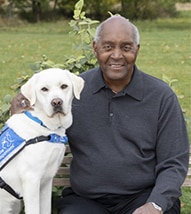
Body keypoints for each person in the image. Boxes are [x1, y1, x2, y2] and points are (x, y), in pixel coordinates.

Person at [11, 16, 189, 214]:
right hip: (86, 201)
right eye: (108, 47)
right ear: (96, 48)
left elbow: (174, 161)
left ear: (137, 49)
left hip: (143, 198)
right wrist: (19, 112)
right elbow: (35, 130)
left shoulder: (160, 96)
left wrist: (156, 204)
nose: (117, 55)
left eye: (126, 47)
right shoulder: (71, 91)